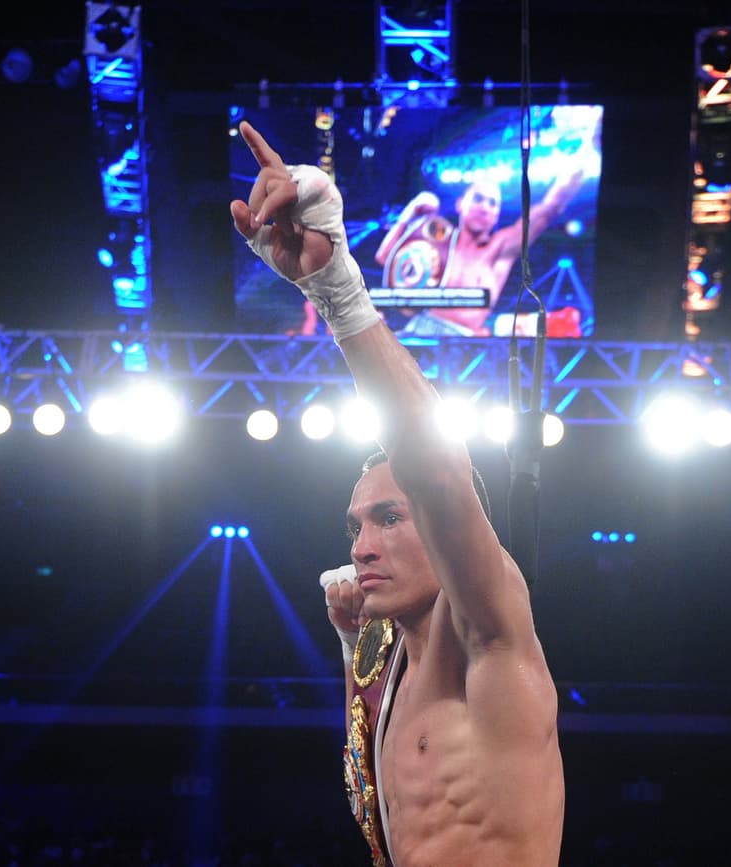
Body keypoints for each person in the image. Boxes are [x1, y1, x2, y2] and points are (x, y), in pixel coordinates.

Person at [231, 121, 564, 867]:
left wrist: (335, 285)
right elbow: (386, 825)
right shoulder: (398, 672)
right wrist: (355, 658)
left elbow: (439, 471)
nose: (361, 545)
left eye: (389, 516)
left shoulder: (491, 631)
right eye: (356, 524)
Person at [373, 164, 586, 337]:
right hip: (421, 330)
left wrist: (585, 154)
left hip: (464, 342)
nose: (485, 207)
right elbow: (385, 258)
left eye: (493, 204)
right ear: (460, 204)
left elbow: (550, 207)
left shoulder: (500, 248)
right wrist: (409, 216)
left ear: (496, 215)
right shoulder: (441, 240)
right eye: (478, 199)